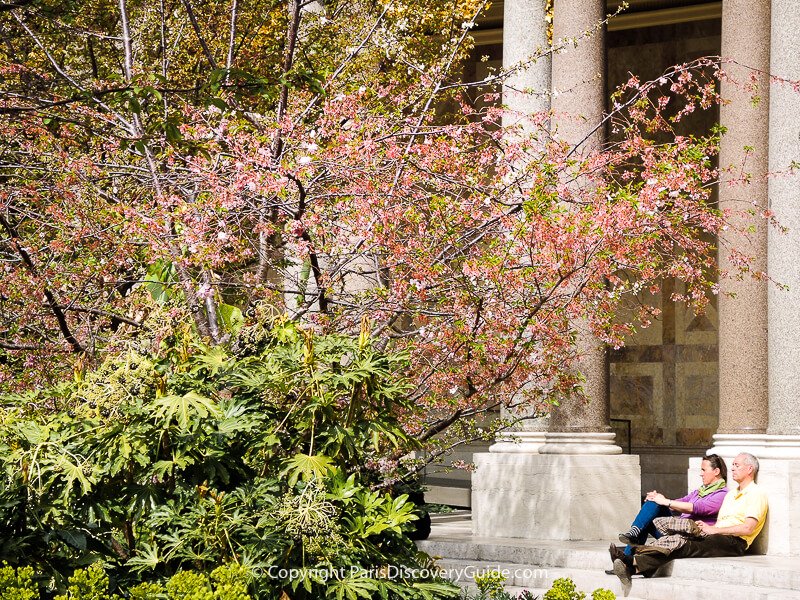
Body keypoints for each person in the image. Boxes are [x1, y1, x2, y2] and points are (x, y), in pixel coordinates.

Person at [612, 452, 768, 596]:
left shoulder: (756, 494)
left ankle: (629, 560)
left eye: (737, 465)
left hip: (735, 542)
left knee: (682, 543)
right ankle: (633, 565)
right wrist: (661, 499)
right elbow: (684, 503)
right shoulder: (732, 494)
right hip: (717, 534)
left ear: (749, 469)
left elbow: (748, 528)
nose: (732, 468)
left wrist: (713, 530)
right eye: (732, 465)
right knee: (676, 539)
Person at [607, 454, 728, 570]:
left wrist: (665, 501)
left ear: (716, 471)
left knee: (656, 505)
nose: (700, 474)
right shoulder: (699, 491)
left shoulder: (722, 494)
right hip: (676, 528)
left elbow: (695, 507)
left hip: (688, 536)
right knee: (653, 504)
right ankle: (632, 539)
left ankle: (628, 551)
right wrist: (659, 498)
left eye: (703, 470)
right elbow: (679, 502)